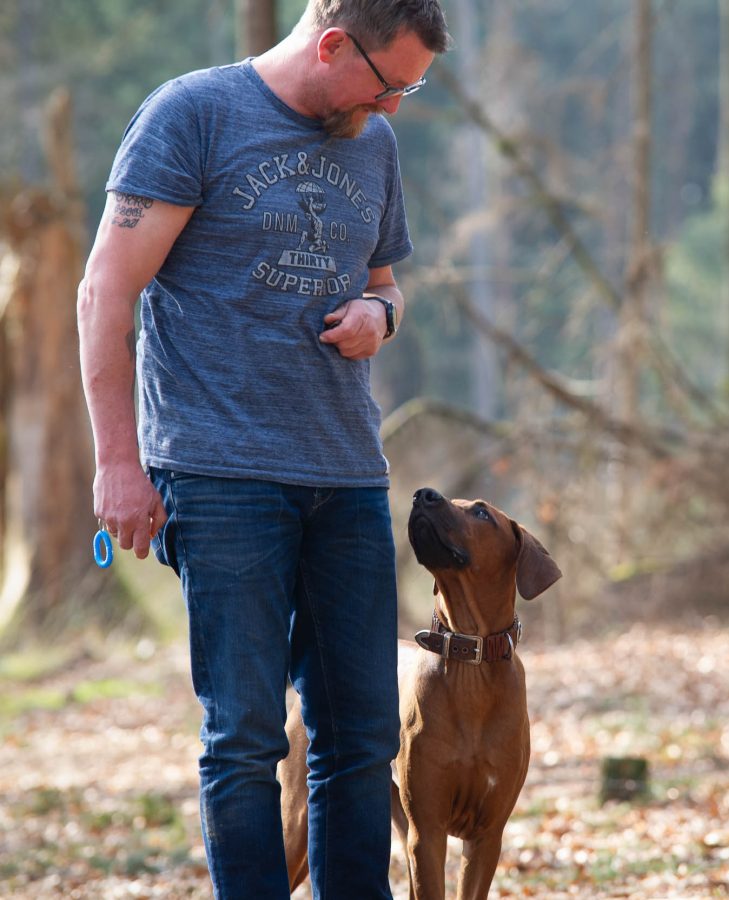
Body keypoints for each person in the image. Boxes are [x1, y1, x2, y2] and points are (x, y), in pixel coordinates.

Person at [76, 1, 451, 897]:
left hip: (348, 476)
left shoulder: (373, 142)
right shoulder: (192, 116)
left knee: (361, 736)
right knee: (244, 738)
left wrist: (379, 315)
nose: (395, 105)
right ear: (331, 44)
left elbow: (388, 283)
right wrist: (119, 463)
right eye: (390, 82)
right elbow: (105, 293)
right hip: (219, 475)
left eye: (413, 87)